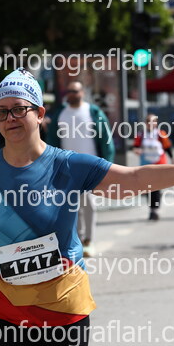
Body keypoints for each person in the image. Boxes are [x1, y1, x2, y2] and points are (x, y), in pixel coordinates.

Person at [0, 68, 174, 346]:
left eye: (18, 109)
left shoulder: (68, 165)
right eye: (2, 111)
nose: (9, 118)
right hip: (4, 309)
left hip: (62, 309)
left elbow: (132, 178)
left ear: (40, 114)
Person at [46, 81, 115, 256]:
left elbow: (106, 140)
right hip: (66, 168)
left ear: (82, 92)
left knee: (88, 204)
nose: (71, 94)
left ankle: (89, 240)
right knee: (71, 207)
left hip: (91, 167)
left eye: (75, 91)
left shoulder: (93, 112)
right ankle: (78, 240)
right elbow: (52, 141)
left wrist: (107, 166)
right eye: (68, 91)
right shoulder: (61, 114)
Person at [133, 113, 174, 221]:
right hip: (146, 164)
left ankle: (155, 210)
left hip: (159, 164)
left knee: (156, 187)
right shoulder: (141, 134)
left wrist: (172, 159)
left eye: (153, 122)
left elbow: (168, 147)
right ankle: (152, 209)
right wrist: (137, 150)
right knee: (148, 188)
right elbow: (136, 146)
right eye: (149, 122)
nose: (151, 124)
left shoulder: (161, 134)